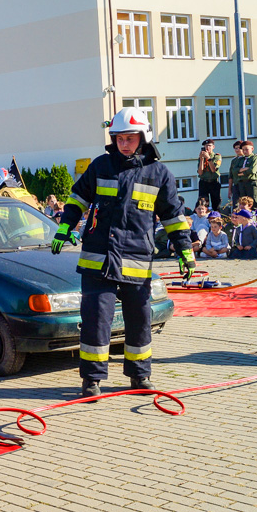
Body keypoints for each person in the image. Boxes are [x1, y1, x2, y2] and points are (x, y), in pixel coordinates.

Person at [51, 108, 193, 397]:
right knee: (95, 322)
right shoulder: (101, 166)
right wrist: (65, 226)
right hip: (98, 261)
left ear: (143, 139)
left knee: (140, 323)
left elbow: (173, 217)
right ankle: (91, 381)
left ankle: (140, 377)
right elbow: (77, 197)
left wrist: (185, 251)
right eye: (119, 138)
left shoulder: (159, 174)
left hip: (136, 261)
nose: (124, 144)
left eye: (130, 138)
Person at [197, 139, 222, 213]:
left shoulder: (217, 156)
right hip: (204, 182)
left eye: (209, 146)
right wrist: (201, 159)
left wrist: (208, 158)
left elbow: (213, 169)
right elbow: (200, 172)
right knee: (203, 201)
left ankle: (217, 217)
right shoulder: (202, 157)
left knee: (216, 203)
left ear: (213, 147)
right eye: (206, 146)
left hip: (213, 182)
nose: (207, 147)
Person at [235, 141, 257, 208]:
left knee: (253, 200)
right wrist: (244, 169)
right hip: (242, 182)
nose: (245, 151)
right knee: (243, 201)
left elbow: (252, 170)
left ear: (252, 148)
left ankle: (255, 214)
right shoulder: (241, 159)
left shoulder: (254, 157)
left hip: (251, 182)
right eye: (243, 150)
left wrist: (242, 173)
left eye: (246, 149)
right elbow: (234, 170)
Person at [227, 141, 244, 209]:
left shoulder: (245, 158)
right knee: (236, 205)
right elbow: (231, 175)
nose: (237, 150)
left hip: (244, 183)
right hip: (236, 184)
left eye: (239, 148)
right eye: (235, 148)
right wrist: (230, 189)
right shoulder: (234, 160)